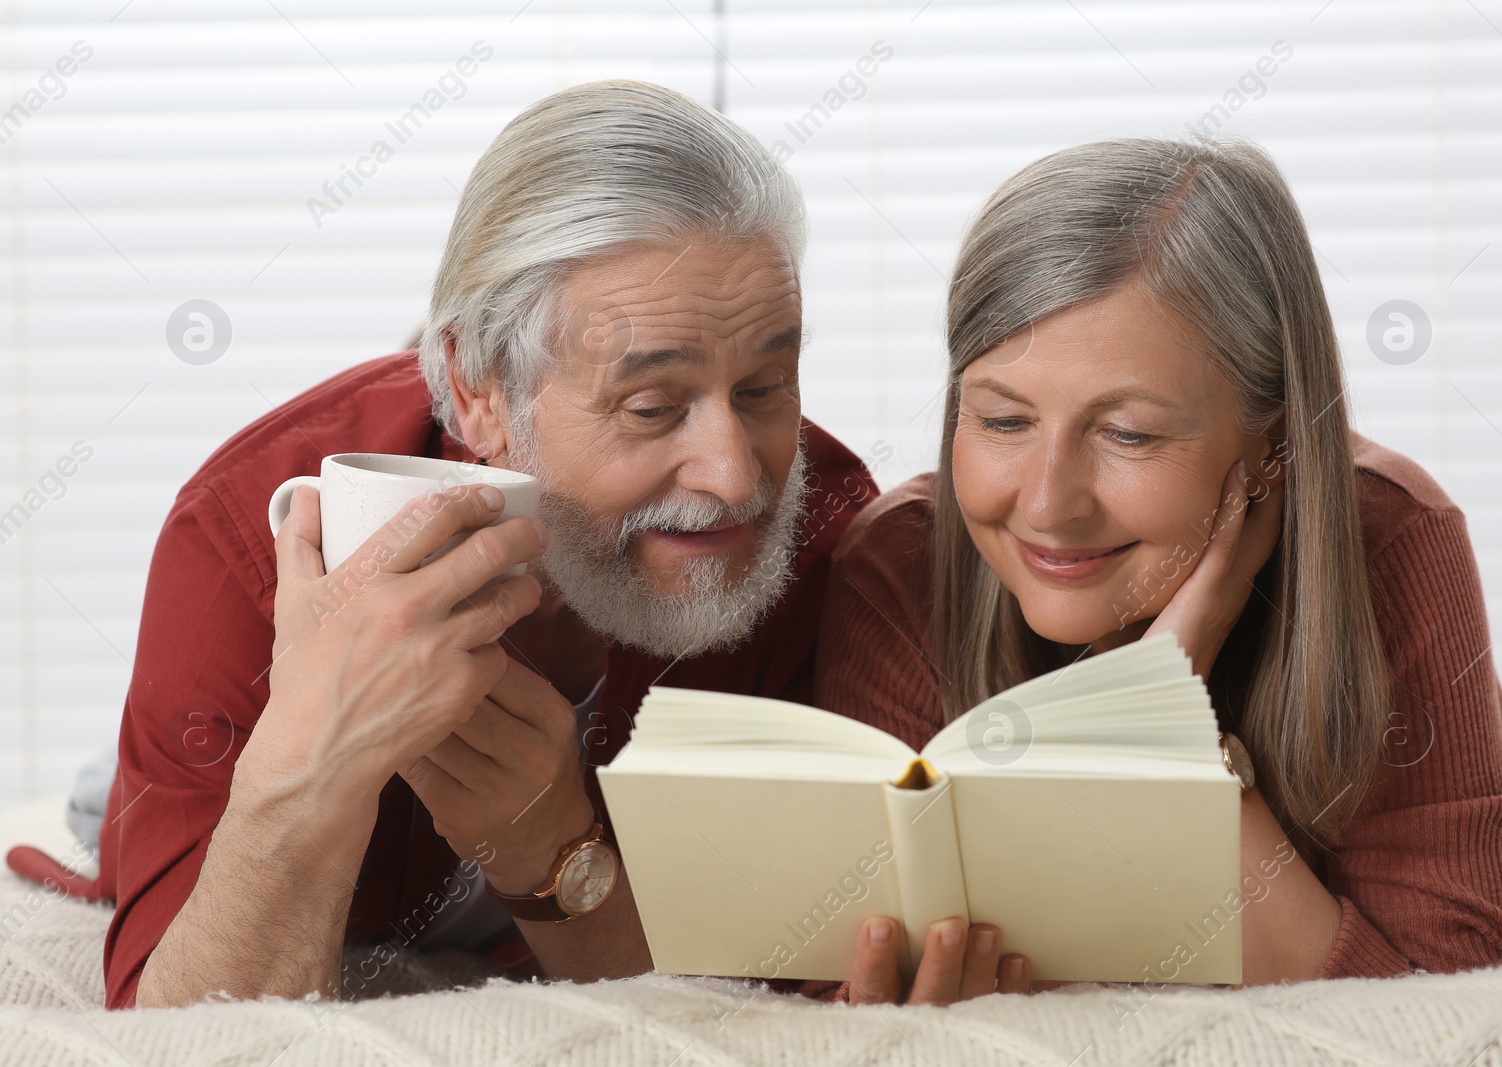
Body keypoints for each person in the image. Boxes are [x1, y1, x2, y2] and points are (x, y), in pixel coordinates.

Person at [12, 79, 882, 1009]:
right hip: (183, 776)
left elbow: (790, 979)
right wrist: (315, 758)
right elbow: (176, 1025)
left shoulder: (821, 532)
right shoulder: (241, 536)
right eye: (652, 407)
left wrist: (551, 848)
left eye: (763, 388)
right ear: (478, 393)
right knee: (109, 803)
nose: (737, 476)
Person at [817, 136, 1502, 1005]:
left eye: (1128, 433)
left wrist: (1157, 722)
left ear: (1276, 443)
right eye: (1004, 420)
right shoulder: (899, 561)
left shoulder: (1394, 539)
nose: (1051, 504)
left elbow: (1452, 1002)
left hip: (1493, 806)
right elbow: (834, 970)